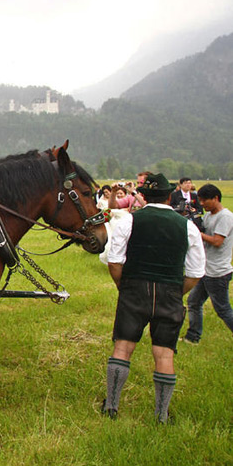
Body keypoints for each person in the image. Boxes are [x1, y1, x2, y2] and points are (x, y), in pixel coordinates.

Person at [102, 173, 205, 423]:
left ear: (144, 196)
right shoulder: (187, 226)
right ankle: (161, 414)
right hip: (170, 292)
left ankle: (111, 406)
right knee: (164, 353)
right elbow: (196, 272)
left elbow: (114, 260)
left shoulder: (129, 221)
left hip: (134, 289)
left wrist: (123, 286)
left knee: (123, 347)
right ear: (169, 196)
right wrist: (174, 291)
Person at [182, 184, 233, 343]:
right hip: (205, 270)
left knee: (223, 310)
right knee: (193, 302)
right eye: (200, 201)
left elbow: (217, 241)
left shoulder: (225, 217)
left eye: (205, 200)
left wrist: (198, 234)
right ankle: (193, 337)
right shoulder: (209, 215)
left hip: (217, 272)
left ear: (216, 198)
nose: (202, 204)